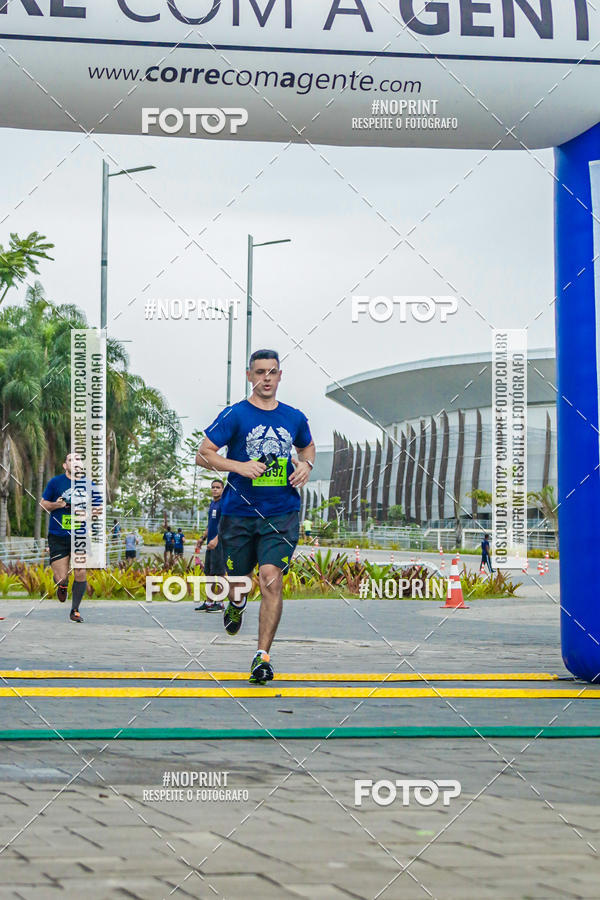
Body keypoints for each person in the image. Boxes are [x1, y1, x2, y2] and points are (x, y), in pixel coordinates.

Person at [197, 349, 315, 683]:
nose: (266, 378)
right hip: (239, 513)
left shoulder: (294, 417)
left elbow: (307, 447)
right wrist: (240, 467)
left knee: (269, 577)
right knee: (239, 585)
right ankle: (235, 604)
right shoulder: (235, 415)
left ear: (280, 376)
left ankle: (262, 657)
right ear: (250, 376)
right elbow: (202, 455)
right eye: (260, 372)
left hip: (282, 512)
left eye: (272, 372)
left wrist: (306, 465)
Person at [40, 452, 100, 623]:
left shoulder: (90, 485)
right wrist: (57, 505)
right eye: (71, 459)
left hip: (79, 534)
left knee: (81, 570)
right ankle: (62, 584)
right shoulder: (55, 482)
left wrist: (87, 514)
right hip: (58, 535)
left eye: (78, 459)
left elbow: (98, 508)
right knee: (61, 576)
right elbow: (43, 504)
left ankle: (75, 610)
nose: (75, 462)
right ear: (65, 466)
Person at [195, 479, 226, 613]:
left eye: (218, 487)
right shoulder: (212, 504)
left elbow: (226, 524)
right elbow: (210, 524)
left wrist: (216, 539)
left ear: (222, 489)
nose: (215, 489)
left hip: (220, 544)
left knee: (219, 575)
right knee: (208, 573)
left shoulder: (224, 503)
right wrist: (202, 538)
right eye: (213, 487)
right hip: (210, 545)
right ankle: (208, 602)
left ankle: (220, 603)